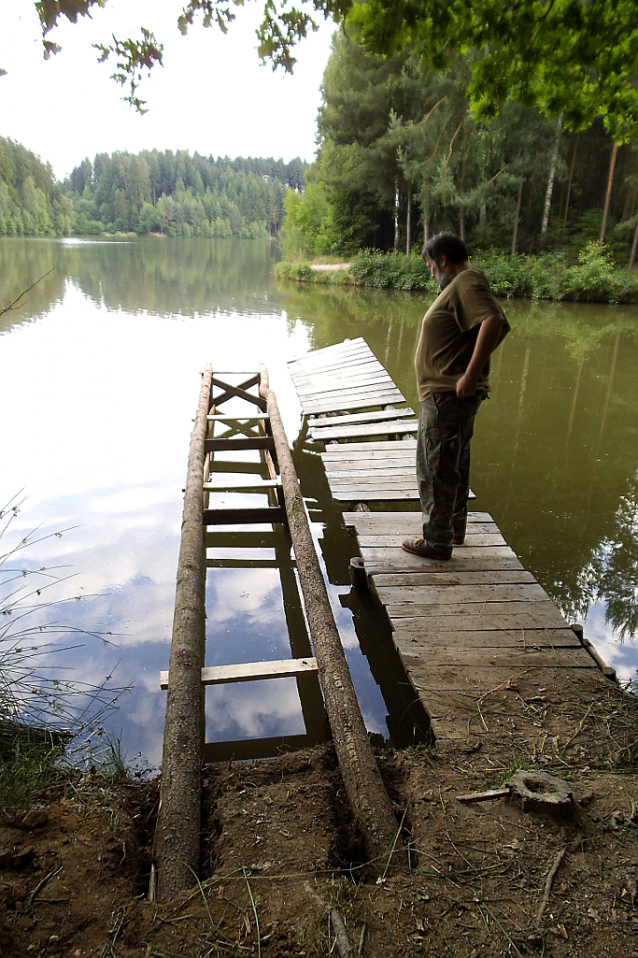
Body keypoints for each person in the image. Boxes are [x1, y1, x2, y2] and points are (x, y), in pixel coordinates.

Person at [402, 231, 510, 561]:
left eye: (430, 267)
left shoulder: (466, 281)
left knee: (435, 467)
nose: (430, 274)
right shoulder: (461, 286)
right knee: (454, 462)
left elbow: (494, 320)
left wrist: (470, 375)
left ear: (443, 260)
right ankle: (453, 531)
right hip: (448, 396)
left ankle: (436, 541)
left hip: (447, 396)